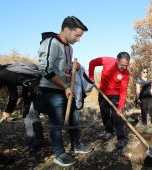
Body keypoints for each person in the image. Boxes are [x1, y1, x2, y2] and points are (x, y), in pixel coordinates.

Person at [35, 16, 91, 167]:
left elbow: (64, 68)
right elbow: (45, 69)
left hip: (65, 89)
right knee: (57, 123)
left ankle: (76, 145)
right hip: (51, 90)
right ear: (67, 30)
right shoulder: (51, 43)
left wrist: (74, 67)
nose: (78, 40)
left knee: (74, 118)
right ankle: (59, 154)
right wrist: (65, 86)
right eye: (77, 35)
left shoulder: (69, 48)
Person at [0, 61, 44, 151]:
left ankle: (38, 141)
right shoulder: (6, 70)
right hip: (31, 88)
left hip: (40, 87)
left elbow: (13, 97)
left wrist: (7, 111)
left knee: (32, 115)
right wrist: (22, 96)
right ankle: (30, 138)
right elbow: (25, 80)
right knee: (25, 113)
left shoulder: (6, 74)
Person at [88, 52, 130, 149]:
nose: (124, 68)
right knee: (104, 113)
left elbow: (123, 91)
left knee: (117, 116)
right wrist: (91, 77)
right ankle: (108, 131)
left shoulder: (126, 73)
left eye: (126, 66)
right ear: (117, 60)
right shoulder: (107, 61)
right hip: (102, 93)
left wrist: (120, 106)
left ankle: (121, 138)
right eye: (122, 65)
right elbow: (92, 63)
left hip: (116, 95)